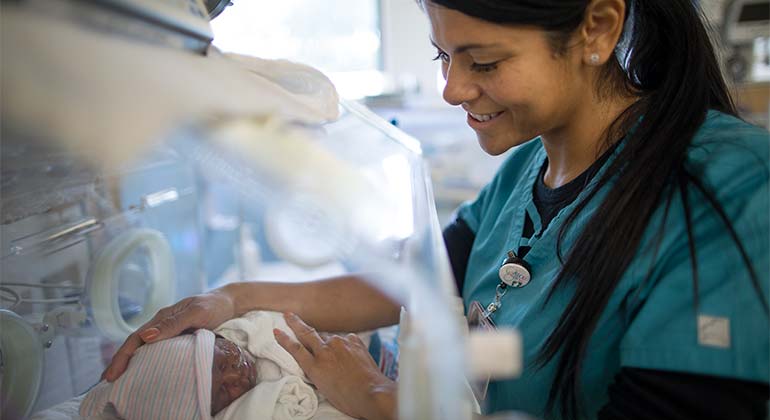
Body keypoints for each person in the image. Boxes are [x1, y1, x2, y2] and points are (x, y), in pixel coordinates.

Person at [103, 0, 770, 419]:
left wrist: (379, 402)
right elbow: (413, 281)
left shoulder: (725, 187)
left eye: (482, 60)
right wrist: (233, 296)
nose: (451, 88)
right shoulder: (522, 172)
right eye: (443, 55)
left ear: (597, 26)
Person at [82, 329, 258, 419]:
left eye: (223, 363)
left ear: (213, 336)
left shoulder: (243, 328)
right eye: (223, 391)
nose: (236, 376)